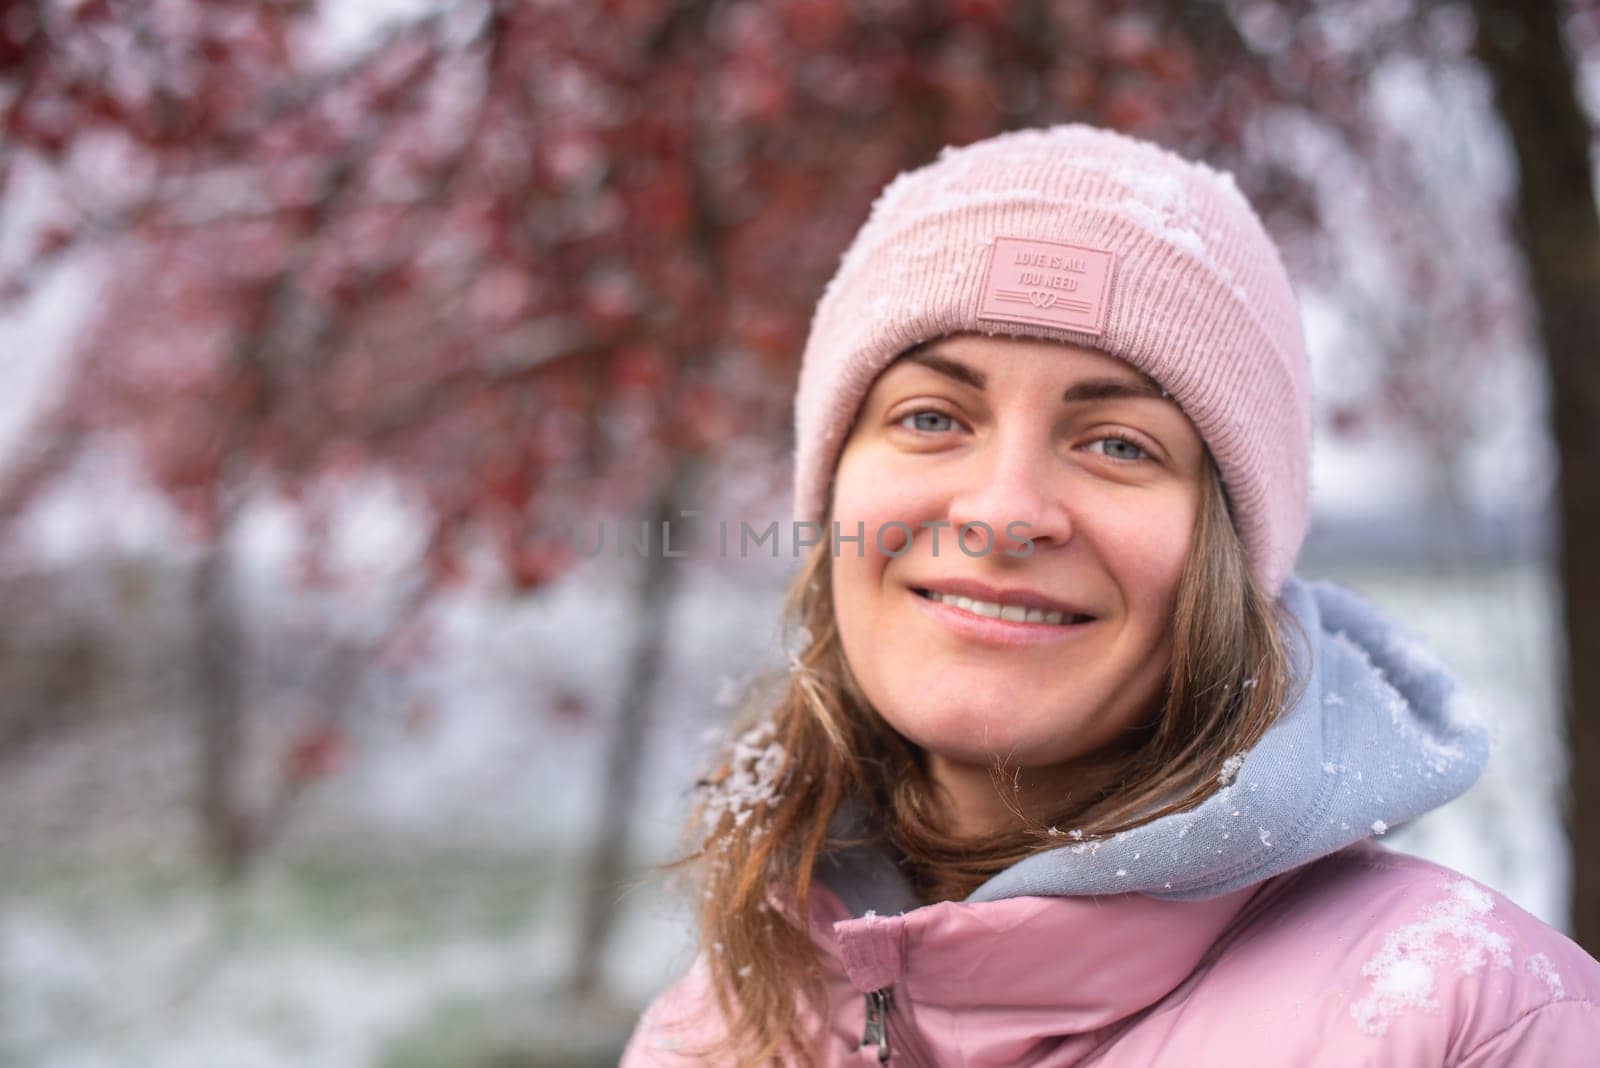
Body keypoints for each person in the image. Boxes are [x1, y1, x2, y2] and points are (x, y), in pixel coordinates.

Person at [619, 123, 1600, 1065]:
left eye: (1118, 445)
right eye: (929, 416)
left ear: (1228, 550)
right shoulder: (711, 1033)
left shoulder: (1477, 1025)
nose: (1003, 514)